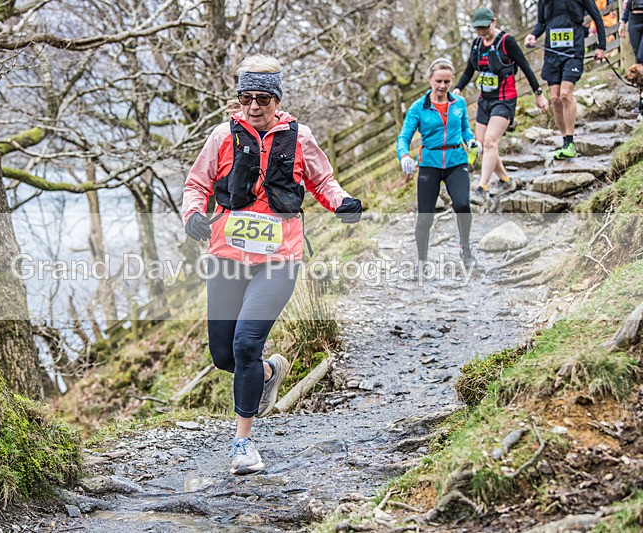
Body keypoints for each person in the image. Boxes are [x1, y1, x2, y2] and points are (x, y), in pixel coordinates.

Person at [182, 54, 362, 475]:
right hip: (227, 255)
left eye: (263, 97)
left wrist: (342, 203)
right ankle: (267, 371)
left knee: (246, 343)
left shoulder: (300, 137)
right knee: (224, 356)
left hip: (280, 258)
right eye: (246, 97)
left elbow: (322, 180)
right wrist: (193, 213)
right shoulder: (221, 136)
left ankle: (242, 443)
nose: (254, 106)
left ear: (277, 99)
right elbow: (197, 183)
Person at [454, 7, 550, 201]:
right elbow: (468, 71)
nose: (481, 32)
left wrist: (538, 94)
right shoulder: (476, 44)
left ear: (494, 22)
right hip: (485, 100)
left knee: (490, 141)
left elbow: (525, 67)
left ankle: (482, 187)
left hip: (505, 99)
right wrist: (457, 88)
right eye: (477, 29)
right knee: (481, 146)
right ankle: (506, 180)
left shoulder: (507, 42)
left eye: (484, 27)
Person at [397, 58, 480, 278]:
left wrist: (471, 141)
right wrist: (404, 155)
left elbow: (465, 130)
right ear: (429, 80)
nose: (442, 86)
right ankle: (422, 262)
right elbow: (404, 136)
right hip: (430, 164)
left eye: (447, 81)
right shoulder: (418, 107)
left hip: (456, 161)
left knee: (462, 204)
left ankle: (465, 248)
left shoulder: (459, 103)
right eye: (438, 81)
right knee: (425, 218)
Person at [524, 0, 607, 159]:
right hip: (552, 54)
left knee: (565, 95)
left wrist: (601, 46)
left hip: (573, 51)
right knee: (555, 99)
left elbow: (597, 18)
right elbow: (541, 22)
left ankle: (570, 141)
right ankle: (564, 141)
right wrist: (532, 35)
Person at [620, 0, 643, 66]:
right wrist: (623, 21)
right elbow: (629, 5)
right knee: (637, 55)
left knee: (640, 57)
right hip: (634, 20)